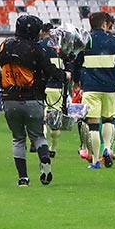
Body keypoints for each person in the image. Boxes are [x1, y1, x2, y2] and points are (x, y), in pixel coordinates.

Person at [0, 15, 68, 187]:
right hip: (32, 99)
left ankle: (23, 178)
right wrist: (64, 75)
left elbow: (1, 67)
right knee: (37, 136)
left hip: (10, 99)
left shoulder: (4, 46)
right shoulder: (37, 49)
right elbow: (49, 70)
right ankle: (44, 159)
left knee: (18, 138)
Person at [74, 12, 115, 170]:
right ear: (104, 24)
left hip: (91, 87)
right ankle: (108, 149)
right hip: (109, 87)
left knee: (93, 125)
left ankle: (95, 160)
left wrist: (76, 81)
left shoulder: (85, 40)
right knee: (109, 119)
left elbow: (77, 64)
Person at [39, 23, 68, 159]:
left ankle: (42, 143)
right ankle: (53, 147)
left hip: (42, 86)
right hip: (57, 87)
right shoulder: (61, 46)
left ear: (43, 32)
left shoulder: (40, 45)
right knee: (55, 119)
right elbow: (68, 66)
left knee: (42, 117)